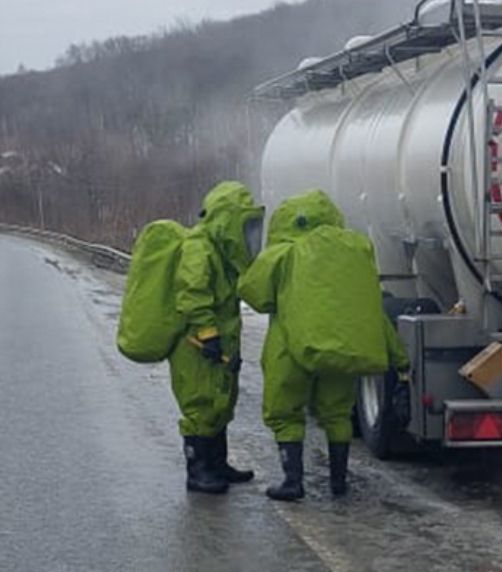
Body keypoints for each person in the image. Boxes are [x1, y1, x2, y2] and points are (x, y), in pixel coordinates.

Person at [238, 189, 406, 501]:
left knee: (285, 412)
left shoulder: (282, 254)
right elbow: (372, 311)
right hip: (340, 347)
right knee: (337, 414)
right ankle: (338, 483)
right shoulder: (355, 253)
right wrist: (399, 356)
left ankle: (293, 481)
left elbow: (255, 295)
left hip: (291, 348)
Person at [170, 180, 266, 493]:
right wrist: (208, 335)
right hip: (196, 344)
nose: (251, 234)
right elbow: (192, 294)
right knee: (201, 404)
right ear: (228, 221)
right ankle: (197, 471)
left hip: (217, 342)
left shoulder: (222, 251)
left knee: (220, 402)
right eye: (246, 225)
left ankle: (217, 464)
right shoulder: (200, 247)